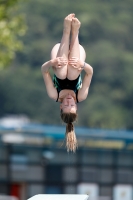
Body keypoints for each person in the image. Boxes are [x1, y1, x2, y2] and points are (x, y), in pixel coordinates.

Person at [41, 13, 93, 152]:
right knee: (73, 73)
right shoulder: (81, 95)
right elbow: (90, 72)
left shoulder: (54, 95)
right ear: (76, 106)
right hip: (78, 55)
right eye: (72, 104)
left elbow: (44, 71)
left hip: (59, 53)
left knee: (62, 73)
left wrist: (52, 62)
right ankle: (75, 32)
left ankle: (66, 31)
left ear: (60, 107)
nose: (69, 100)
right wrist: (82, 65)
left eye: (66, 104)